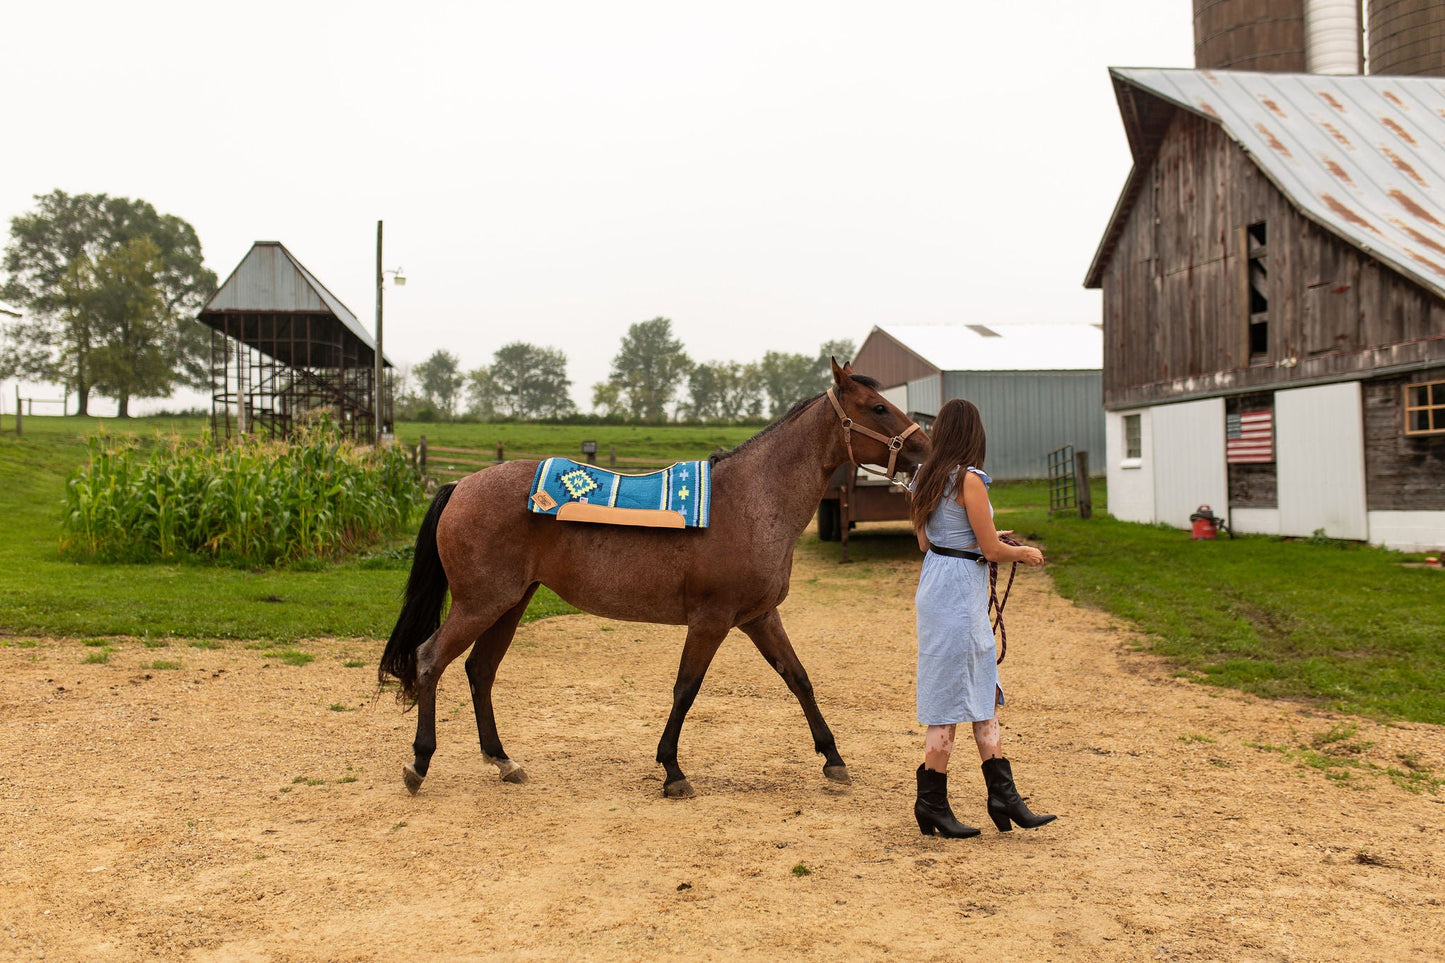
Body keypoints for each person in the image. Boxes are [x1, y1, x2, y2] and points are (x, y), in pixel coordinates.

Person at [908, 398, 1055, 838]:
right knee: (955, 690)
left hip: (937, 581)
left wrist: (984, 539)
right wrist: (1021, 553)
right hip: (957, 593)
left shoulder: (924, 478)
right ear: (974, 433)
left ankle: (1003, 796)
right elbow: (990, 550)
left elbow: (927, 542)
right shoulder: (969, 480)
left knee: (980, 685)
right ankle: (932, 802)